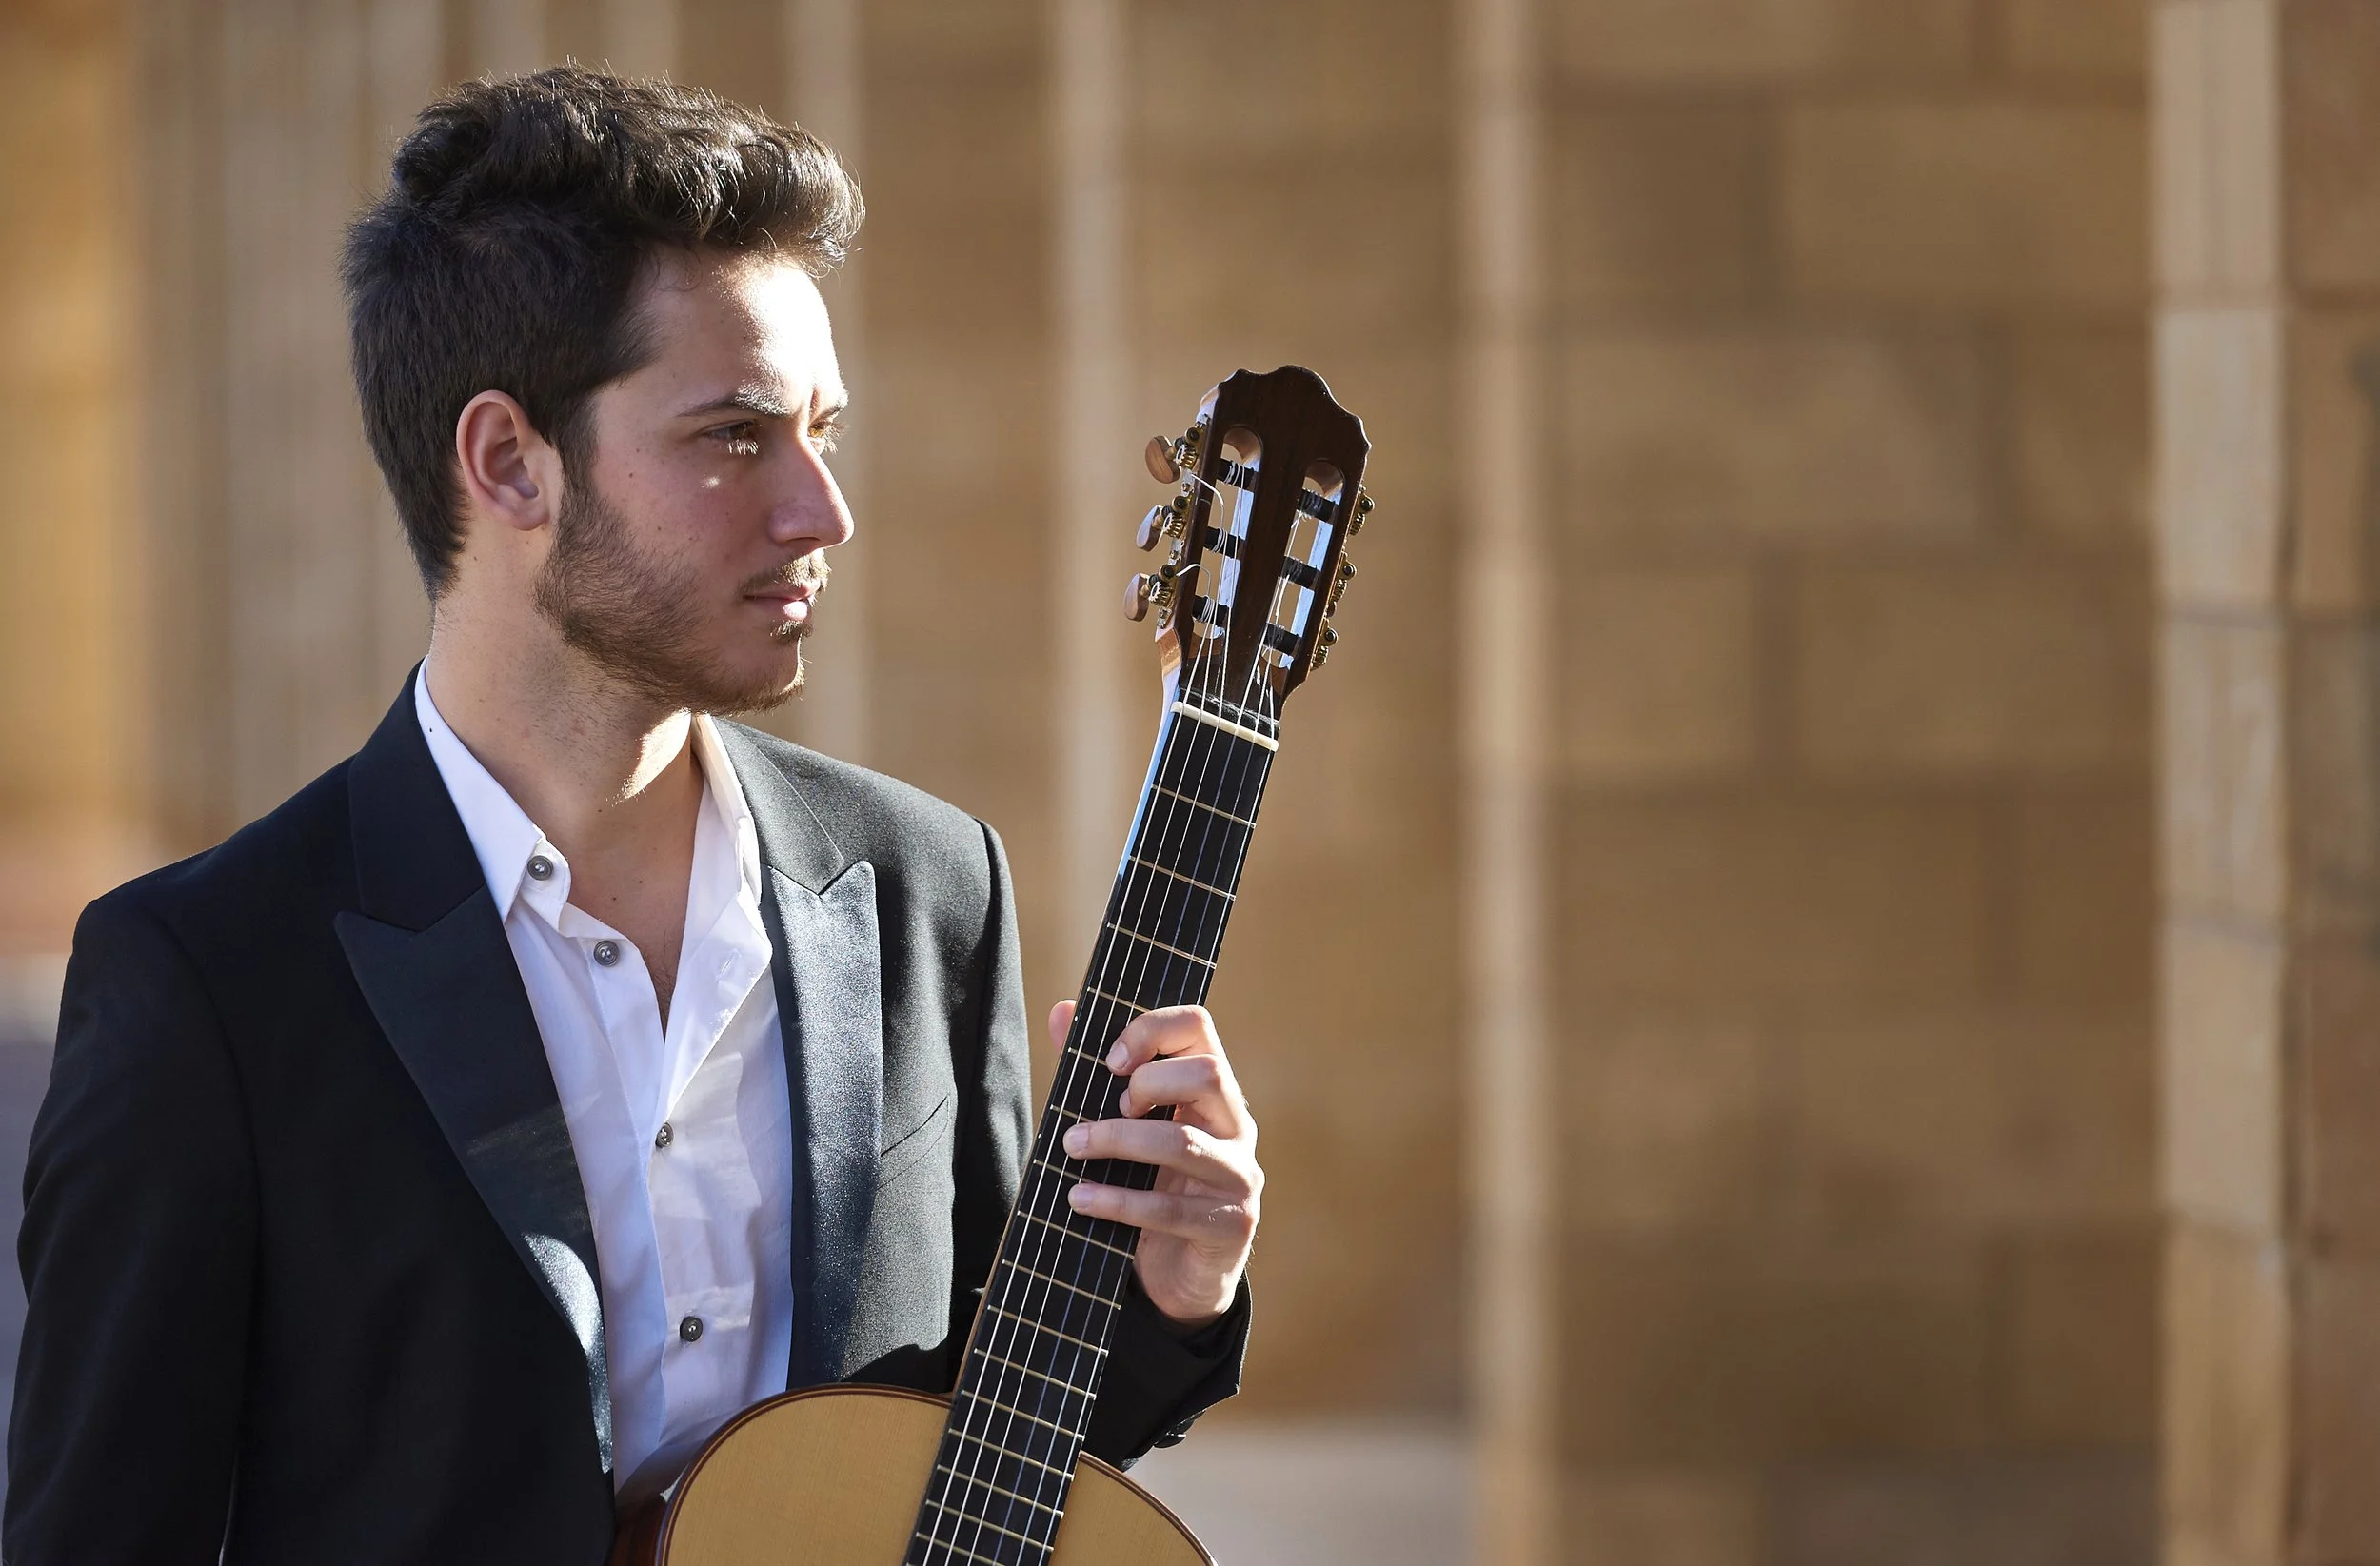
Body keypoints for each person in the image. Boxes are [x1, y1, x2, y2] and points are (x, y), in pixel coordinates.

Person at [5, 66, 1260, 1565]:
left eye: (824, 430)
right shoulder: (206, 980)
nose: (820, 509)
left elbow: (984, 1443)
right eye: (735, 436)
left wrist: (1178, 1289)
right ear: (507, 463)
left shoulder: (929, 887)